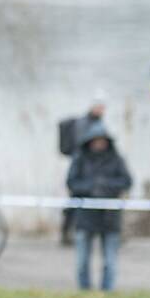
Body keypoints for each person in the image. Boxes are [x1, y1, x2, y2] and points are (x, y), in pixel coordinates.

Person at [66, 122, 132, 291]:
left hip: (110, 216)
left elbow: (126, 181)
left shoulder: (116, 159)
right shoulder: (80, 159)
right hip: (85, 215)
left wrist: (105, 186)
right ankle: (84, 290)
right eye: (95, 141)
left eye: (101, 140)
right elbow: (71, 182)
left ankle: (107, 291)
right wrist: (91, 187)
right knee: (82, 260)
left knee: (110, 260)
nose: (98, 144)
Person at [58, 92, 107, 246]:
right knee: (75, 201)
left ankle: (99, 231)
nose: (102, 110)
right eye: (99, 107)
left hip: (91, 168)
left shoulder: (98, 122)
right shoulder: (84, 123)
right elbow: (82, 146)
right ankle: (66, 233)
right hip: (81, 168)